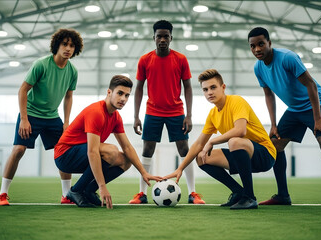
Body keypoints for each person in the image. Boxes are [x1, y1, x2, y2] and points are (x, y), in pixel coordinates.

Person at [247, 27, 321, 209]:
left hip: (315, 104)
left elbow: (311, 85)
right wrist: (273, 124)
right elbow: (268, 95)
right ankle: (282, 196)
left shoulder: (288, 58)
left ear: (269, 43)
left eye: (261, 44)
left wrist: (318, 118)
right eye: (253, 46)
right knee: (275, 145)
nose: (257, 49)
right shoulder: (258, 68)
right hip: (294, 109)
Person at [165, 69, 276, 209]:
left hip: (265, 155)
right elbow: (199, 144)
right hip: (242, 155)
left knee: (234, 141)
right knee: (201, 157)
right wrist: (180, 168)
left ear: (223, 87)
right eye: (205, 90)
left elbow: (240, 130)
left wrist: (212, 141)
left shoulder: (236, 101)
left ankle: (249, 197)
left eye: (213, 87)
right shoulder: (213, 114)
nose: (209, 92)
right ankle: (238, 192)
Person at [0, 29, 83, 206]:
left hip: (52, 117)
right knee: (19, 150)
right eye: (64, 44)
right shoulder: (41, 64)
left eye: (72, 46)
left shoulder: (72, 71)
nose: (68, 48)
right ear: (57, 45)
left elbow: (69, 96)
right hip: (31, 114)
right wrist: (24, 119)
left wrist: (66, 122)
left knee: (65, 152)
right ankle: (2, 193)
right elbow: (22, 90)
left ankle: (66, 195)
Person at [54, 75, 163, 208]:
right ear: (109, 92)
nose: (123, 99)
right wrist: (102, 186)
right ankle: (76, 191)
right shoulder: (96, 112)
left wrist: (143, 172)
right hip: (65, 156)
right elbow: (92, 152)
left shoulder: (116, 116)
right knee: (111, 151)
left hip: (81, 154)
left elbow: (127, 147)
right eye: (120, 93)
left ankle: (88, 190)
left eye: (127, 96)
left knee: (126, 159)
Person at [129, 20, 205, 204]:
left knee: (184, 149)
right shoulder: (145, 60)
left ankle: (192, 193)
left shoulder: (181, 59)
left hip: (176, 112)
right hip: (152, 112)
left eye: (166, 36)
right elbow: (138, 88)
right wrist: (136, 116)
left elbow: (188, 87)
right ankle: (142, 193)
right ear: (153, 38)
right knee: (147, 149)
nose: (162, 39)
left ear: (171, 38)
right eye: (159, 36)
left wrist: (189, 115)